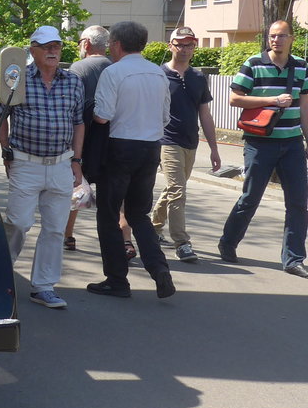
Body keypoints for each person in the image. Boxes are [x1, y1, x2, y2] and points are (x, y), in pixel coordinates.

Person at [0, 25, 85, 309]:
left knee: (55, 229)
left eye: (56, 45)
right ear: (32, 50)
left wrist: (77, 160)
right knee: (18, 223)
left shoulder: (73, 82)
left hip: (60, 164)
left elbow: (79, 122)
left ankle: (43, 287)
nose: (52, 51)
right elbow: (0, 115)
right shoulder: (16, 78)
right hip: (25, 162)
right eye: (46, 46)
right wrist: (6, 150)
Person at [87, 20, 175, 300]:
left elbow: (103, 116)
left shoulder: (114, 72)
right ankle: (159, 269)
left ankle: (117, 279)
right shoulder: (158, 73)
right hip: (151, 148)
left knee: (109, 213)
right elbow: (165, 117)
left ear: (116, 44)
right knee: (139, 214)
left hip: (120, 147)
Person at [218, 20, 308, 276]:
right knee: (250, 198)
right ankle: (228, 243)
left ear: (291, 39)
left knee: (299, 202)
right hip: (260, 142)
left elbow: (304, 107)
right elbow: (235, 98)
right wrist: (272, 100)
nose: (276, 40)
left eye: (281, 36)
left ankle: (293, 259)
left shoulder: (301, 66)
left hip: (291, 143)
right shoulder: (253, 63)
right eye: (272, 36)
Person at [150, 27, 222, 263]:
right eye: (179, 44)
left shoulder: (198, 77)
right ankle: (182, 243)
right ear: (170, 45)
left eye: (188, 44)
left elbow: (205, 114)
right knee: (178, 190)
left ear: (194, 47)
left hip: (191, 142)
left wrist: (214, 148)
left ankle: (153, 228)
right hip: (166, 141)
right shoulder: (159, 75)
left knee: (172, 190)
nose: (183, 49)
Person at [63, 25, 112, 251]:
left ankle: (68, 235)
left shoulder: (77, 69)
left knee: (75, 187)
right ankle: (122, 239)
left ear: (86, 43)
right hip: (111, 140)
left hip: (83, 139)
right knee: (112, 195)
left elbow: (71, 109)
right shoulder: (116, 68)